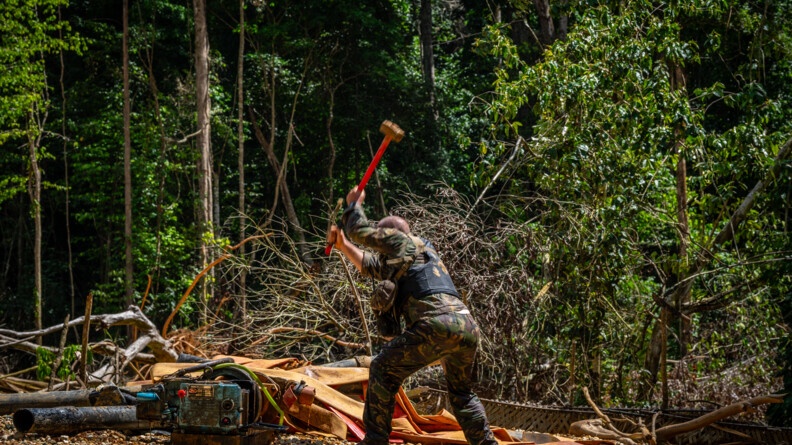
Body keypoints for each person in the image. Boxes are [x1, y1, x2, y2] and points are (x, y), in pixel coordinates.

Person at [327, 186, 499, 445]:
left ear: (389, 235)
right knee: (462, 395)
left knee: (382, 369)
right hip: (467, 327)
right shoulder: (419, 256)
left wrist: (354, 205)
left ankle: (375, 441)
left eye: (382, 240)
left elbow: (359, 231)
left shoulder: (402, 241)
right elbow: (369, 264)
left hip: (436, 324)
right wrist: (342, 244)